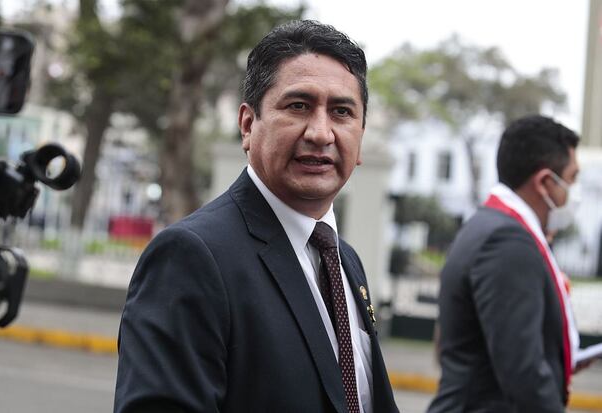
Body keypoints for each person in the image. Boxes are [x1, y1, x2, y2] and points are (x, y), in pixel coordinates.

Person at [114, 20, 399, 413]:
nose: (321, 133)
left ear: (361, 136)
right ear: (248, 125)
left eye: (341, 111)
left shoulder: (345, 261)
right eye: (298, 106)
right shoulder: (191, 257)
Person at [428, 115, 583, 412]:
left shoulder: (489, 225)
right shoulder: (507, 242)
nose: (573, 192)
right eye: (571, 178)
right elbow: (523, 372)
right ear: (545, 183)